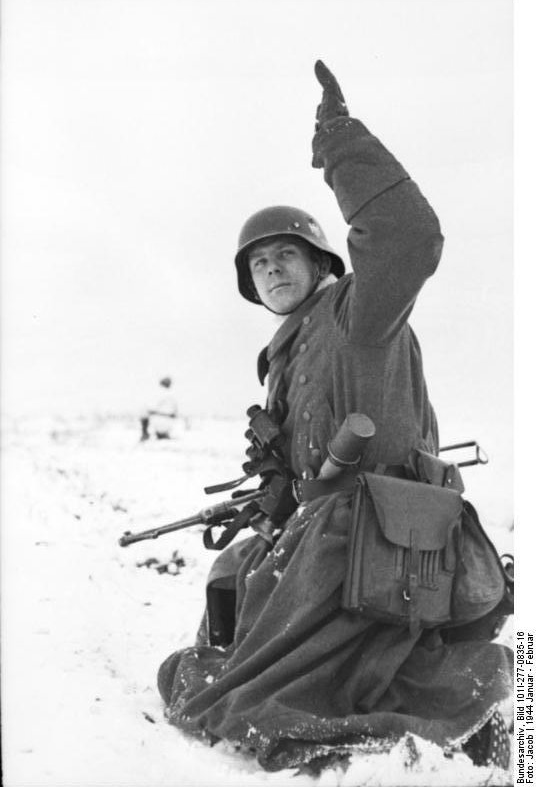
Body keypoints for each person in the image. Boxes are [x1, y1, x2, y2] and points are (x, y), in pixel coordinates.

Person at [157, 62, 513, 773]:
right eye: (258, 265)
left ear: (321, 260)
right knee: (237, 569)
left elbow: (409, 236)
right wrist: (274, 491)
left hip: (377, 533)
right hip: (332, 524)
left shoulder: (357, 314)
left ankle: (480, 703)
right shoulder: (287, 351)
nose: (272, 270)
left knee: (244, 694)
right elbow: (296, 467)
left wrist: (340, 143)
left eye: (286, 254)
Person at [139, 376, 178, 441]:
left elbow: (151, 408)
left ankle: (145, 434)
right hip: (170, 423)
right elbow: (175, 412)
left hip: (161, 421)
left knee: (144, 412)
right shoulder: (173, 394)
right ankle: (162, 434)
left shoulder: (160, 393)